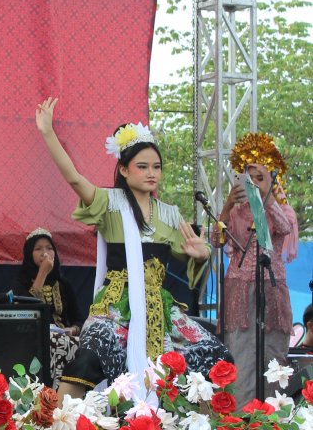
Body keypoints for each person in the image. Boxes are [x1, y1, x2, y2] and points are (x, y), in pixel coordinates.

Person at [35, 97, 225, 398]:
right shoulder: (109, 203)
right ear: (123, 170)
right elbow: (73, 178)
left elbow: (191, 257)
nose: (152, 173)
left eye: (157, 167)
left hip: (159, 310)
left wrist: (202, 255)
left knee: (213, 355)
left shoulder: (170, 213)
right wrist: (48, 133)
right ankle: (56, 428)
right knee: (88, 360)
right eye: (143, 166)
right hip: (116, 306)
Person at [214, 133, 298, 402]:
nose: (254, 184)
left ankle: (272, 426)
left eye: (261, 177)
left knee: (273, 358)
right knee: (241, 357)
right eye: (250, 177)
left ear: (273, 179)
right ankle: (241, 426)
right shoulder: (237, 212)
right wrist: (227, 205)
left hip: (271, 290)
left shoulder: (280, 209)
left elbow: (282, 230)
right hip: (240, 291)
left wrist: (266, 198)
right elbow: (217, 240)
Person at [16, 228, 82, 387]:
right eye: (38, 249)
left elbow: (79, 319)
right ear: (29, 253)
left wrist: (72, 330)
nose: (44, 253)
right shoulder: (20, 281)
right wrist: (42, 273)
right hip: (32, 337)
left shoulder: (64, 284)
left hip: (64, 338)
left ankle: (67, 396)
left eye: (49, 248)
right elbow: (26, 309)